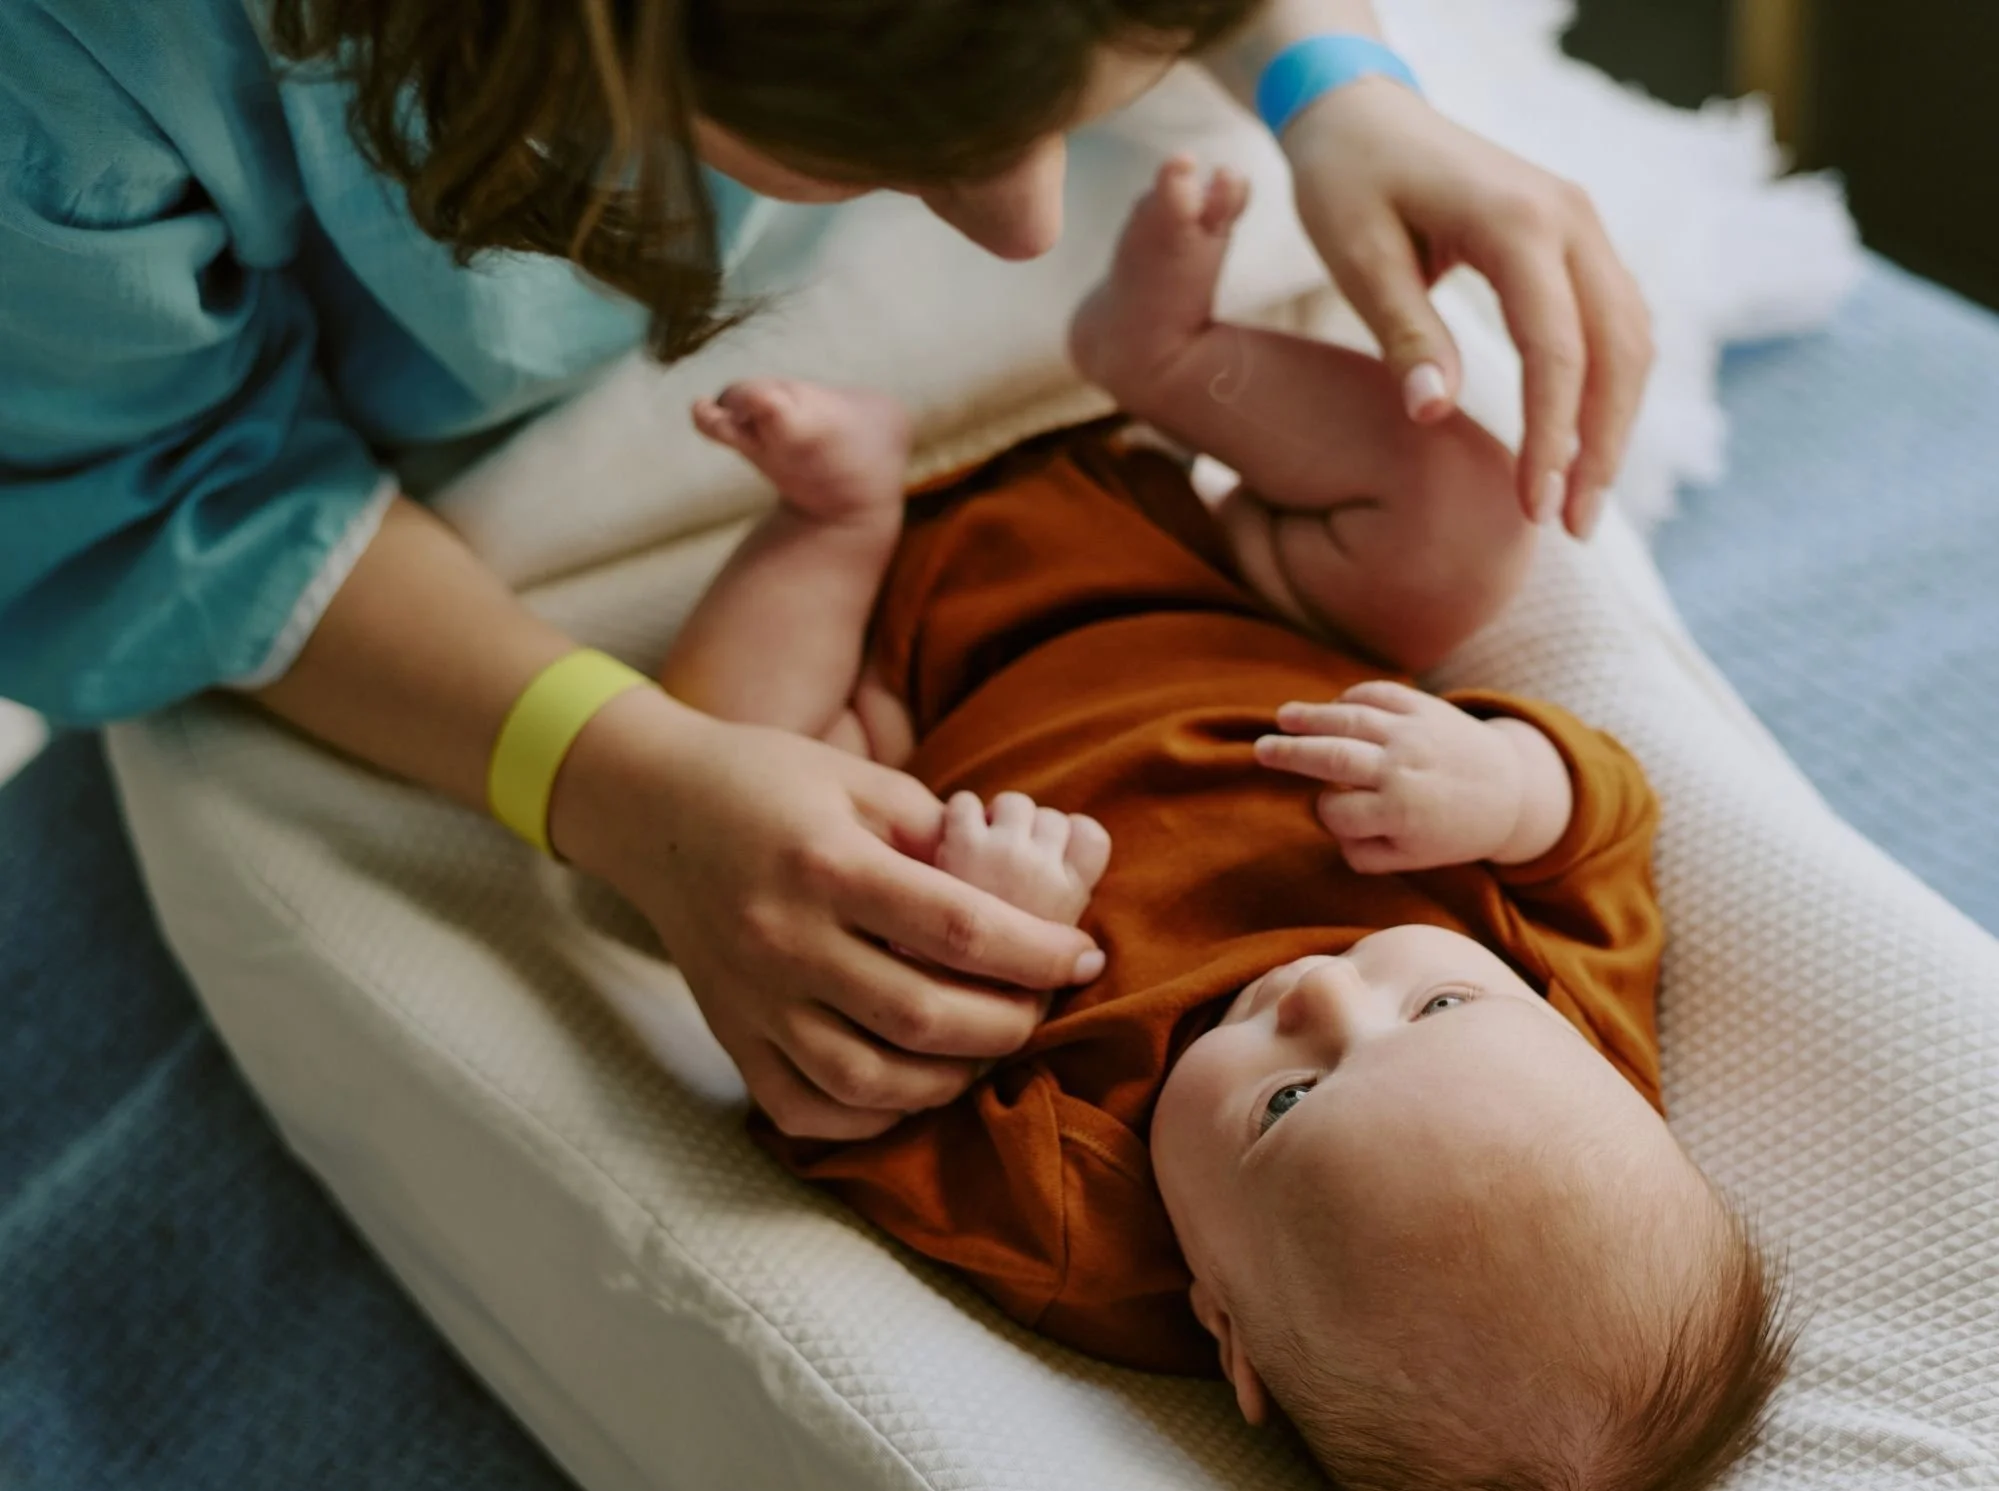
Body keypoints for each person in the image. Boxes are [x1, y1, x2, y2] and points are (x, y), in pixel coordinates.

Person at [0, 0, 1653, 1148]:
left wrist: (1331, 82)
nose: (1014, 222)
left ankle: (867, 512)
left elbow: (858, 1123)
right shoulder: (72, 78)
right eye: (887, 149)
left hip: (982, 617)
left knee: (1460, 522)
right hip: (1073, 557)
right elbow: (138, 501)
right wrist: (629, 781)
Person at [658, 161, 1790, 1491]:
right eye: (1434, 1004)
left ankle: (831, 513)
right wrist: (1504, 784)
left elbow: (833, 1100)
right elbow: (1606, 821)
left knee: (723, 785)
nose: (1323, 999)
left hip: (912, 677)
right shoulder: (1562, 1020)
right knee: (1464, 519)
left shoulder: (1083, 1225)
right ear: (1606, 1074)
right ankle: (1172, 357)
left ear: (1226, 1329)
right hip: (1210, 570)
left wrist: (970, 940)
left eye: (1287, 1107)